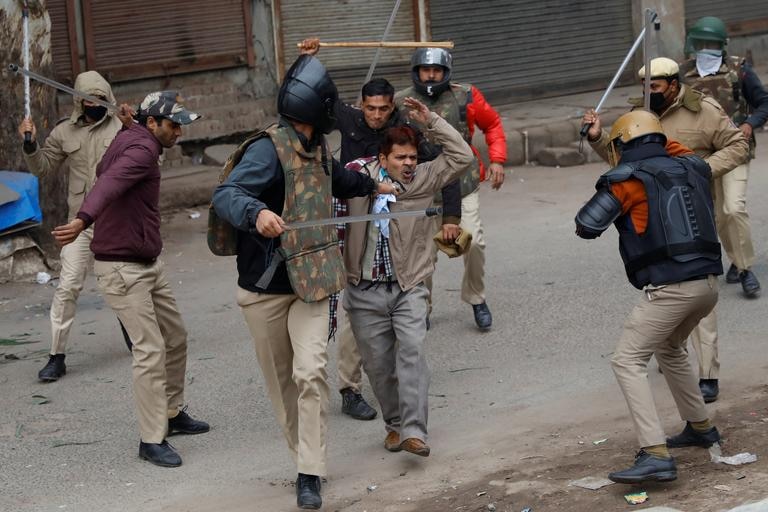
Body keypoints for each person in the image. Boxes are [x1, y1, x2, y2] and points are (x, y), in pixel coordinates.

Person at [211, 54, 396, 510]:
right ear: (320, 108)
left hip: (312, 284)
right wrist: (258, 213)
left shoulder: (316, 149)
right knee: (283, 384)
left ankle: (309, 471)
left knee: (310, 372)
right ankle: (302, 457)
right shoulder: (265, 149)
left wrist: (374, 187)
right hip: (265, 291)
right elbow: (226, 195)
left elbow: (336, 181)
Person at [52, 91, 210, 468]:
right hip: (123, 268)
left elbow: (108, 169)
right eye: (173, 125)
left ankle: (172, 413)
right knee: (151, 349)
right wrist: (82, 219)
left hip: (145, 262)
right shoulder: (140, 150)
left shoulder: (133, 136)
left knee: (175, 337)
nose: (179, 133)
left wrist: (131, 124)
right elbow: (109, 183)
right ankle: (151, 438)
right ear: (152, 123)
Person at [582, 57, 749, 403]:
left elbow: (738, 145)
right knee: (671, 286)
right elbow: (622, 162)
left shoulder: (705, 111)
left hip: (696, 207)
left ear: (673, 85)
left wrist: (699, 170)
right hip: (656, 215)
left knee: (696, 277)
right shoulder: (641, 117)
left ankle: (707, 374)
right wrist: (599, 138)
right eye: (644, 88)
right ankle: (675, 356)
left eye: (654, 88)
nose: (649, 94)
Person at [575, 110, 722, 484]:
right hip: (706, 287)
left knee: (627, 360)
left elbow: (586, 226)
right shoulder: (694, 166)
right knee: (670, 347)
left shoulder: (625, 180)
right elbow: (671, 149)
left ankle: (655, 453)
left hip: (672, 289)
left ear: (624, 145)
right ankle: (700, 426)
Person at [343, 99, 474, 458]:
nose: (408, 164)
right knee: (378, 366)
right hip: (363, 288)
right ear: (382, 158)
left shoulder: (425, 178)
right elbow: (331, 186)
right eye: (400, 158)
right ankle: (395, 425)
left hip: (409, 286)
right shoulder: (358, 177)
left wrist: (431, 120)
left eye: (413, 158)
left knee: (413, 352)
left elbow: (462, 157)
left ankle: (415, 432)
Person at [18, 71, 127, 382]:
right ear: (79, 101)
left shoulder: (122, 127)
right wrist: (30, 144)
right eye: (90, 100)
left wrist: (135, 128)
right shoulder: (64, 133)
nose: (96, 105)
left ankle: (134, 332)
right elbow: (43, 166)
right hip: (79, 225)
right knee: (67, 288)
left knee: (121, 285)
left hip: (115, 221)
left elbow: (148, 161)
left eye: (102, 99)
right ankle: (56, 356)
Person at [395, 47, 507, 331]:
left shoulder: (465, 95)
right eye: (426, 69)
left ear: (446, 72)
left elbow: (492, 124)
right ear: (416, 71)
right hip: (420, 188)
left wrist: (497, 160)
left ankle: (476, 298)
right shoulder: (399, 102)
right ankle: (422, 306)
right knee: (423, 253)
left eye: (437, 70)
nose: (431, 75)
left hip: (463, 181)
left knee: (474, 242)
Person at [679, 16, 768, 298]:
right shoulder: (682, 75)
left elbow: (764, 102)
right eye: (701, 43)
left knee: (733, 208)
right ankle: (735, 258)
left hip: (735, 149)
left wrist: (750, 123)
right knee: (718, 216)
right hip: (701, 155)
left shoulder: (739, 69)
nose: (706, 48)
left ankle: (745, 270)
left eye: (712, 43)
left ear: (722, 45)